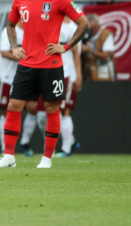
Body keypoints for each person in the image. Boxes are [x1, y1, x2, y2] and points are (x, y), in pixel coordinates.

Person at [0, 0, 88, 170]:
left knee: (52, 109)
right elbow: (11, 24)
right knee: (14, 105)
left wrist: (66, 46)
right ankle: (9, 157)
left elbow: (83, 23)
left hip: (51, 65)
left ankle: (47, 158)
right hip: (27, 64)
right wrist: (15, 47)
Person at [55, 15, 82, 157]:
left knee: (64, 111)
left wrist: (78, 74)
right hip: (52, 73)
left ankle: (66, 149)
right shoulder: (50, 23)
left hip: (66, 73)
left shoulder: (71, 29)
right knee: (51, 111)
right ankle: (70, 142)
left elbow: (76, 53)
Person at [0, 21, 24, 154]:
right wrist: (24, 58)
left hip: (28, 77)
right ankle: (5, 147)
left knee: (34, 110)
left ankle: (26, 142)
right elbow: (4, 52)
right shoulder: (8, 31)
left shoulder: (32, 30)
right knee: (5, 111)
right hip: (9, 77)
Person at [83, 13, 116, 81]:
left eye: (91, 21)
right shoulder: (84, 35)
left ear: (97, 23)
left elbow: (105, 56)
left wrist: (90, 50)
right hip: (89, 70)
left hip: (104, 69)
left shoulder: (106, 34)